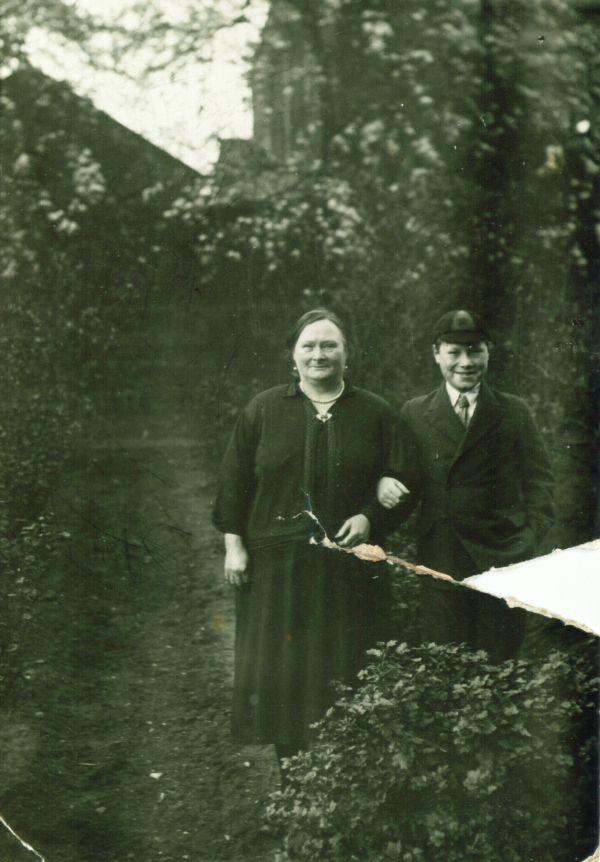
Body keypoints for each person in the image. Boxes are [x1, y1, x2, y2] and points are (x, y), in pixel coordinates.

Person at [213, 308, 409, 774]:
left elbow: (404, 478)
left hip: (349, 569)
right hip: (276, 569)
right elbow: (234, 483)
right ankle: (295, 778)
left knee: (347, 664)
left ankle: (345, 782)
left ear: (347, 354)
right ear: (293, 356)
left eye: (329, 345)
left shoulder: (376, 412)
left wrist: (370, 515)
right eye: (309, 346)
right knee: (285, 670)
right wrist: (234, 546)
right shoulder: (263, 409)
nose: (319, 354)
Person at [378, 309, 555, 660]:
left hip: (502, 559)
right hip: (441, 559)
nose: (465, 362)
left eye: (475, 350)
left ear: (489, 351)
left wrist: (527, 541)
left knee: (499, 665)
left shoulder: (514, 411)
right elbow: (403, 477)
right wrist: (386, 481)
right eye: (454, 352)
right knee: (445, 664)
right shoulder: (415, 412)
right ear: (436, 354)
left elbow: (541, 484)